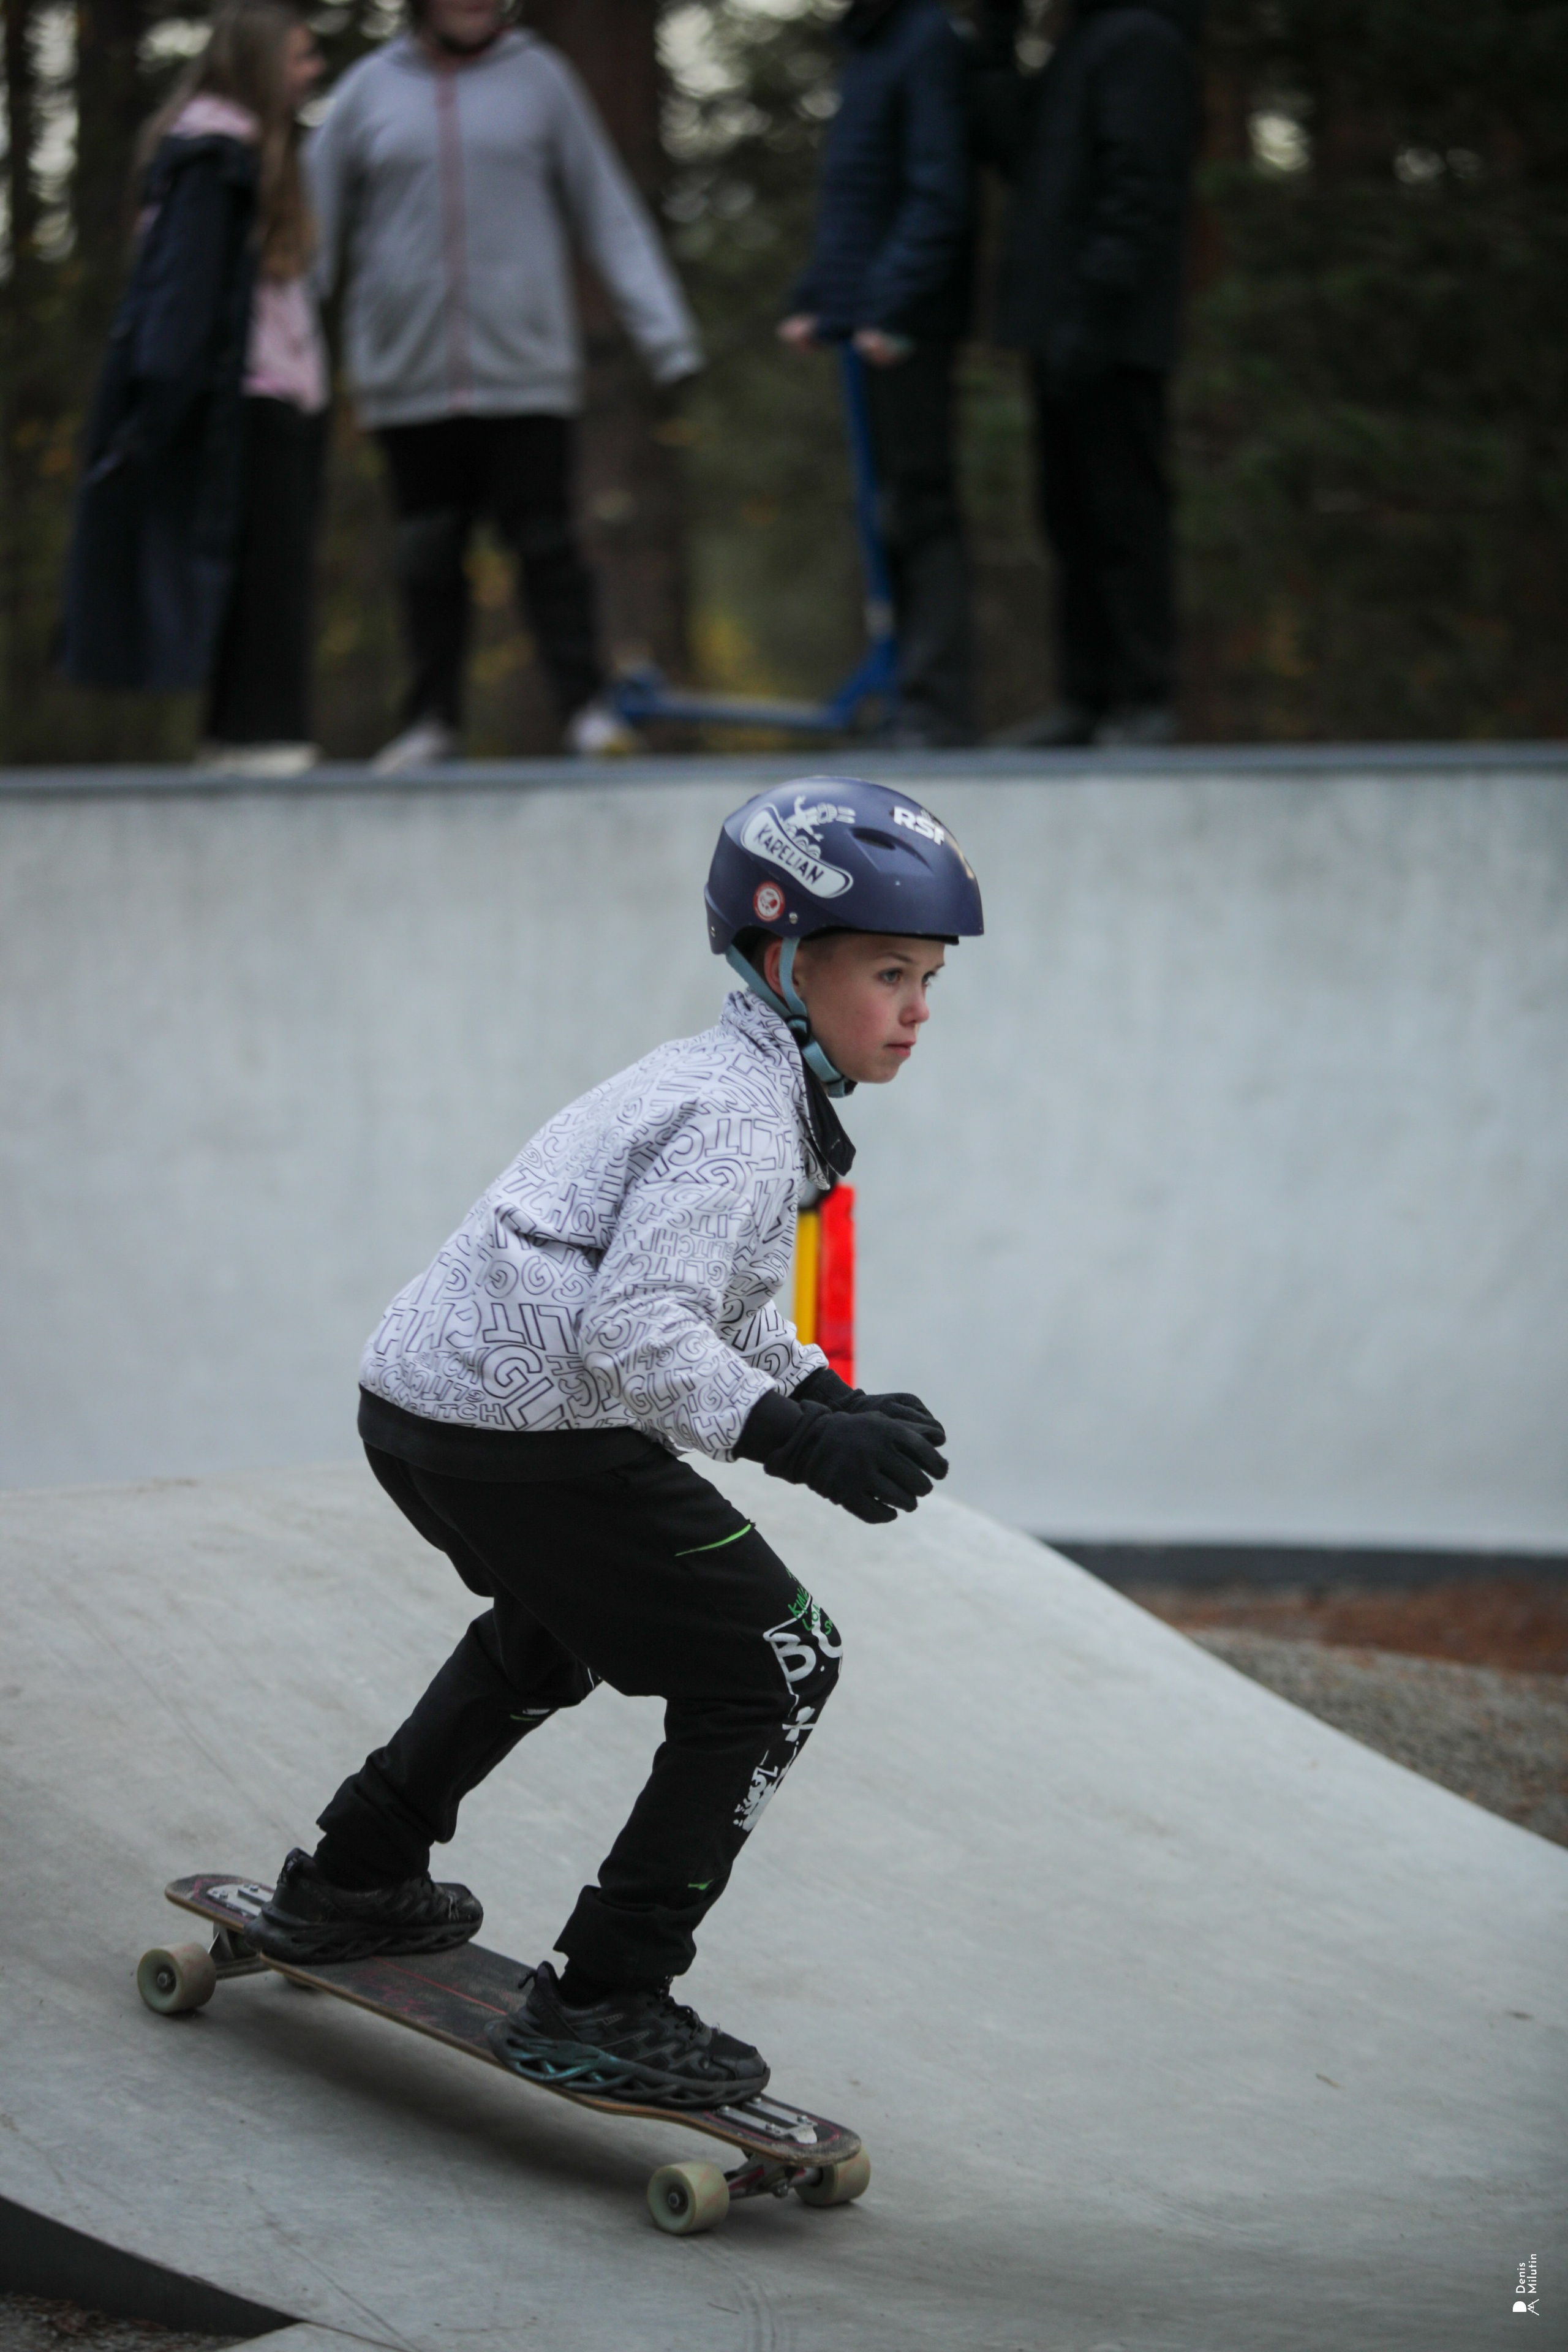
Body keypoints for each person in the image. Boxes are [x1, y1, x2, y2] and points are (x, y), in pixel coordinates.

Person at [249, 778, 983, 2108]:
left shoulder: (725, 1078)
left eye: (927, 975)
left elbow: (715, 1303)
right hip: (530, 1430)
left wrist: (827, 1397)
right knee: (778, 1666)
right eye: (887, 971)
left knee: (552, 1624)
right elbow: (637, 1331)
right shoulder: (739, 1123)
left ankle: (355, 1873)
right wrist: (794, 1443)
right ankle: (606, 1992)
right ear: (785, 961)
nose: (919, 1007)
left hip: (428, 1414)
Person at [308, 0, 702, 771]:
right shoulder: (366, 92)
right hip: (407, 372)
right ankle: (429, 721)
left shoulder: (541, 81)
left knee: (547, 543)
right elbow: (312, 230)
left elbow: (609, 212)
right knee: (426, 552)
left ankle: (585, 712)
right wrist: (277, 346)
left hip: (524, 368)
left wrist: (667, 336)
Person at [61, 0, 329, 774]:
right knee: (265, 583)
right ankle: (262, 744)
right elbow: (182, 298)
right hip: (241, 399)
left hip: (265, 395)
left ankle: (242, 740)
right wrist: (158, 409)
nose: (310, 74)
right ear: (258, 64)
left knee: (259, 576)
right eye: (298, 59)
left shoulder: (236, 155)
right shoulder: (214, 160)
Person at [977, 0, 1202, 747]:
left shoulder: (1142, 40)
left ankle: (1144, 696)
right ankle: (1086, 695)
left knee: (1122, 514)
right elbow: (1017, 153)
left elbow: (1140, 186)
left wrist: (1095, 310)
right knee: (1068, 515)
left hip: (1111, 330)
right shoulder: (1080, 43)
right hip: (1059, 324)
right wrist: (997, 41)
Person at [778, 0, 976, 749]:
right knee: (884, 511)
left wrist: (889, 305)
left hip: (907, 324)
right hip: (869, 319)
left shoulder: (924, 39)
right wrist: (818, 300)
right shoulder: (871, 44)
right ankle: (903, 698)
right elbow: (856, 197)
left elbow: (938, 188)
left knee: (921, 509)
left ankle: (936, 707)